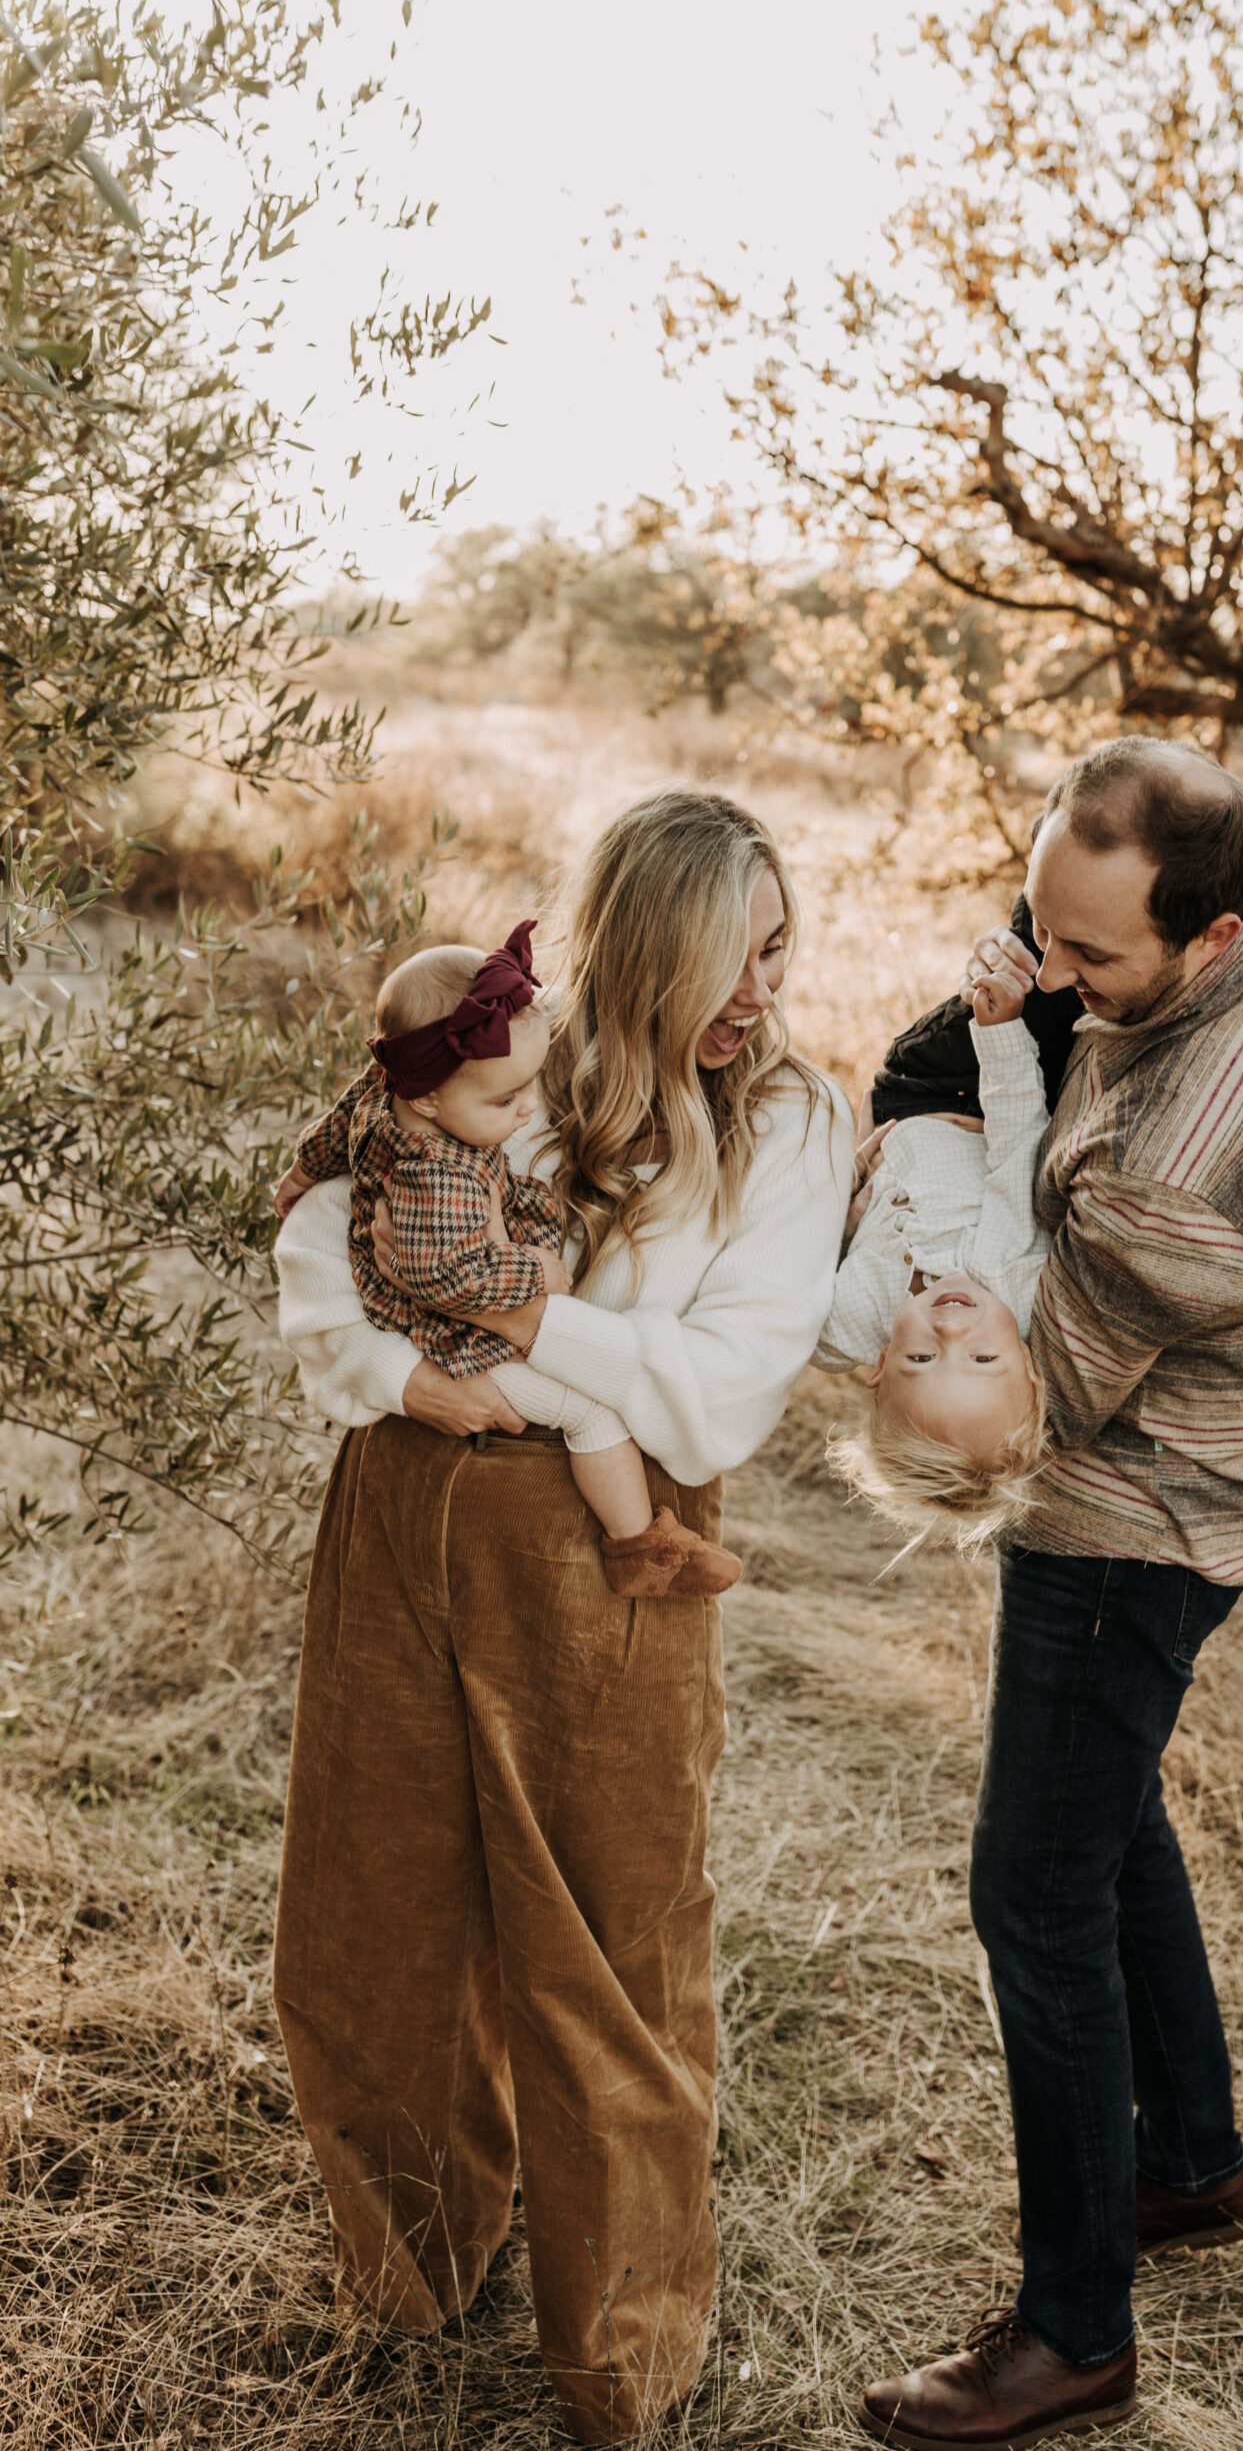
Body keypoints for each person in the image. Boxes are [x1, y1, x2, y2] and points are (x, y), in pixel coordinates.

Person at [270, 789, 853, 2443]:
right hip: (403, 1497)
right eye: (719, 964)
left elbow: (714, 1400)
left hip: (609, 1551)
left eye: (779, 951)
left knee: (608, 1948)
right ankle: (408, 2255)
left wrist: (517, 1327)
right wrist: (395, 1367)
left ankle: (619, 2352)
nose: (758, 995)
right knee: (371, 1909)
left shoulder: (794, 1127)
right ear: (627, 956)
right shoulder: (497, 1046)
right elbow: (324, 1222)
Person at [860, 739, 1243, 2451]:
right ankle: (1186, 2162)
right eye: (1045, 927)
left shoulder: (1171, 1185)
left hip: (1143, 1497)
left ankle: (1075, 2324)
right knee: (1103, 1816)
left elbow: (1026, 1400)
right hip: (1227, 1436)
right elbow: (1069, 1007)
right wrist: (1040, 1006)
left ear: (1213, 939)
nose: (1059, 979)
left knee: (1030, 1887)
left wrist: (871, 1312)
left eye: (1094, 964)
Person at [274, 920, 741, 1596]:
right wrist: (537, 1274)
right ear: (428, 1096)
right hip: (454, 1340)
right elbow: (448, 1277)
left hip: (457, 1310)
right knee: (594, 1414)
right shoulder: (437, 1178)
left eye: (529, 1088)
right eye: (504, 1099)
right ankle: (640, 1547)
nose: (526, 1111)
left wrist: (298, 1174)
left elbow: (338, 1122)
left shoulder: (387, 1095)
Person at [816, 950, 1052, 1543]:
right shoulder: (1011, 1283)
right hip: (977, 1088)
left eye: (920, 1360)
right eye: (982, 1360)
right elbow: (1019, 1146)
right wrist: (1000, 1035)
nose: (950, 1335)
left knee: (1022, 963)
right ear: (1028, 1367)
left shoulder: (839, 1328)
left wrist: (843, 1196)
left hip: (905, 1096)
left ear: (877, 1370)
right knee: (1036, 965)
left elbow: (793, 1258)